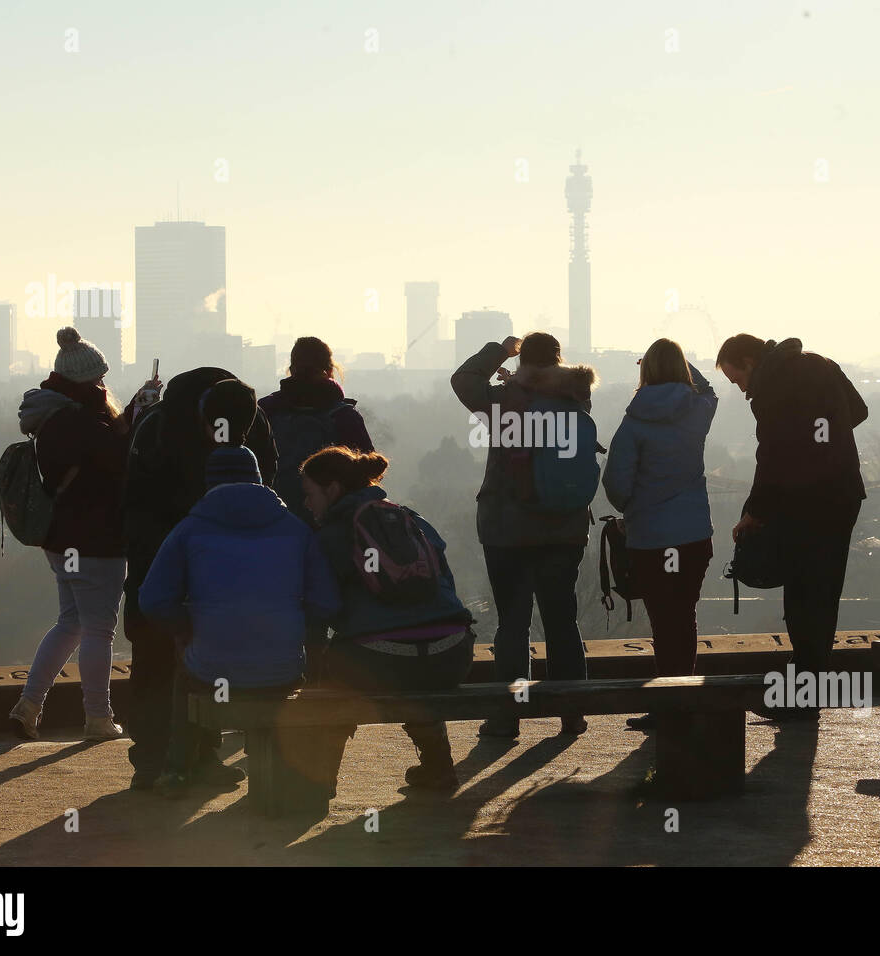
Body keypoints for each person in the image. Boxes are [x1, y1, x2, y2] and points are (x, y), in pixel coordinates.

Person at [138, 445, 341, 797]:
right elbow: (326, 602)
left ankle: (178, 770)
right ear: (260, 479)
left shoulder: (189, 530)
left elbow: (152, 600)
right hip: (282, 672)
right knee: (256, 671)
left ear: (209, 484)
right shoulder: (296, 529)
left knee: (186, 671)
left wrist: (185, 627)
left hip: (210, 672)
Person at [122, 368, 279, 790]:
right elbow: (267, 486)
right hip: (208, 571)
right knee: (202, 665)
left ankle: (156, 761)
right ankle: (187, 758)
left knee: (160, 666)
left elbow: (133, 498)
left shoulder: (156, 426)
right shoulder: (250, 423)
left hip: (155, 567)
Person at [300, 446, 475, 801]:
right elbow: (446, 583)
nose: (307, 504)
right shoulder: (410, 518)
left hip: (380, 662)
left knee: (336, 676)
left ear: (332, 489)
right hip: (452, 655)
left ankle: (319, 781)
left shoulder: (332, 535)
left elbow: (321, 609)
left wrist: (314, 659)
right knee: (415, 665)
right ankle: (439, 766)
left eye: (310, 494)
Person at [8, 328, 157, 741]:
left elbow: (103, 446)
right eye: (99, 378)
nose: (103, 384)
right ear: (88, 379)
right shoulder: (82, 418)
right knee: (98, 629)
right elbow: (117, 459)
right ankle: (97, 717)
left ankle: (29, 704)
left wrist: (131, 409)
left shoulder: (55, 415)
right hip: (96, 540)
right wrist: (140, 415)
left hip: (61, 539)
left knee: (70, 623)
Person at [451, 332, 598, 739]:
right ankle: (572, 712)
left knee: (512, 624)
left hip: (507, 529)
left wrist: (499, 349)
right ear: (559, 360)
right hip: (564, 529)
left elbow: (462, 379)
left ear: (523, 362)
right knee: (562, 621)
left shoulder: (503, 402)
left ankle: (508, 715)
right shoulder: (575, 398)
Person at [716, 334, 868, 720]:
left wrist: (754, 511)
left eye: (738, 380)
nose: (742, 390)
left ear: (749, 362)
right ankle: (807, 690)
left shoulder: (772, 389)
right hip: (843, 493)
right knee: (823, 594)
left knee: (801, 597)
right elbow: (858, 411)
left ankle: (801, 698)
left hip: (804, 502)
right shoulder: (820, 363)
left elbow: (772, 457)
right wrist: (825, 440)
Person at [603, 339, 718, 730]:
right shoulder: (698, 412)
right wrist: (687, 368)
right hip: (693, 535)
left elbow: (616, 484)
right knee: (684, 616)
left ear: (645, 372)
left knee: (663, 621)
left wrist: (630, 509)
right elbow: (710, 390)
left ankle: (668, 703)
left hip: (651, 538)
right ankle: (682, 698)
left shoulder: (634, 423)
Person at [259, 337, 375, 522]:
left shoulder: (265, 410)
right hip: (333, 524)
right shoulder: (345, 417)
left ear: (291, 370)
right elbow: (368, 474)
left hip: (272, 520)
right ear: (330, 371)